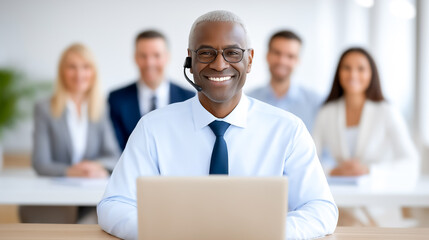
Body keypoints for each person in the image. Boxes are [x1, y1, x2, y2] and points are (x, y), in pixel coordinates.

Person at [98, 10, 338, 240]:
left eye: (232, 52)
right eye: (206, 53)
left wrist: (262, 234)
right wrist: (168, 234)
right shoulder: (152, 128)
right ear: (190, 61)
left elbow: (321, 209)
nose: (219, 64)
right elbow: (113, 205)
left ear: (250, 59)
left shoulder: (288, 130)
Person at [312, 47, 419, 226]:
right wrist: (332, 171)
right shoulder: (327, 112)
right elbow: (309, 160)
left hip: (379, 205)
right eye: (347, 67)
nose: (353, 74)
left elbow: (410, 162)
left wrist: (369, 171)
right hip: (341, 204)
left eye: (361, 68)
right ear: (339, 72)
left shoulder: (386, 111)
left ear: (371, 74)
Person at [21, 43, 120, 223]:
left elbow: (113, 155)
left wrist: (96, 166)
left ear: (93, 72)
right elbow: (40, 163)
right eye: (72, 67)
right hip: (54, 196)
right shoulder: (44, 109)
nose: (79, 74)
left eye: (85, 67)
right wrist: (70, 171)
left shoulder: (100, 107)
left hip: (90, 197)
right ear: (62, 72)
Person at [108, 30, 195, 150]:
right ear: (135, 58)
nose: (149, 63)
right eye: (143, 56)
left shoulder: (189, 98)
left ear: (167, 57)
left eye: (156, 55)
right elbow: (116, 149)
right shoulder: (116, 100)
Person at [248, 30, 322, 131]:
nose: (282, 61)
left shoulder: (316, 103)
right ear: (267, 55)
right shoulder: (249, 100)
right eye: (277, 53)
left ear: (298, 60)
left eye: (290, 56)